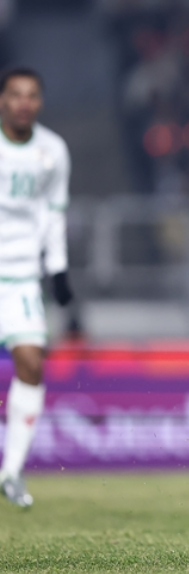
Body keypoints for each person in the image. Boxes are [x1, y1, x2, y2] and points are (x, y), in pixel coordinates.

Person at [0, 67, 74, 507]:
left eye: (31, 95)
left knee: (31, 363)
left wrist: (59, 270)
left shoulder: (53, 151)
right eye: (15, 94)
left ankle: (12, 471)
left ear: (39, 102)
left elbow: (54, 213)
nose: (23, 103)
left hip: (22, 278)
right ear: (2, 100)